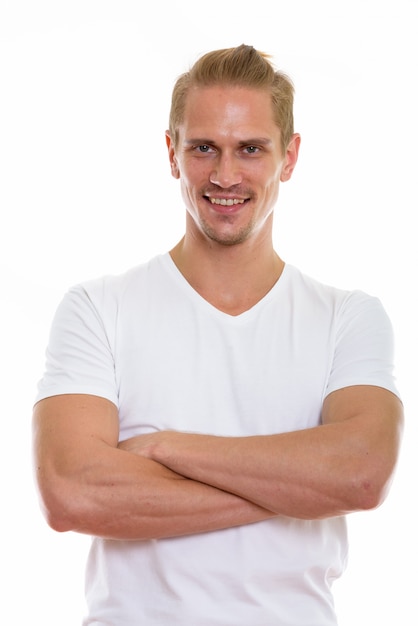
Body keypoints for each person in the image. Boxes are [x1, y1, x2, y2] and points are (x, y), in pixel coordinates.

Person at [33, 44, 403, 625]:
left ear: (290, 156)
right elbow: (72, 494)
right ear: (172, 154)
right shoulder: (98, 308)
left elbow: (359, 476)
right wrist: (296, 488)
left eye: (250, 149)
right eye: (204, 147)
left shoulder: (348, 318)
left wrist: (163, 446)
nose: (225, 175)